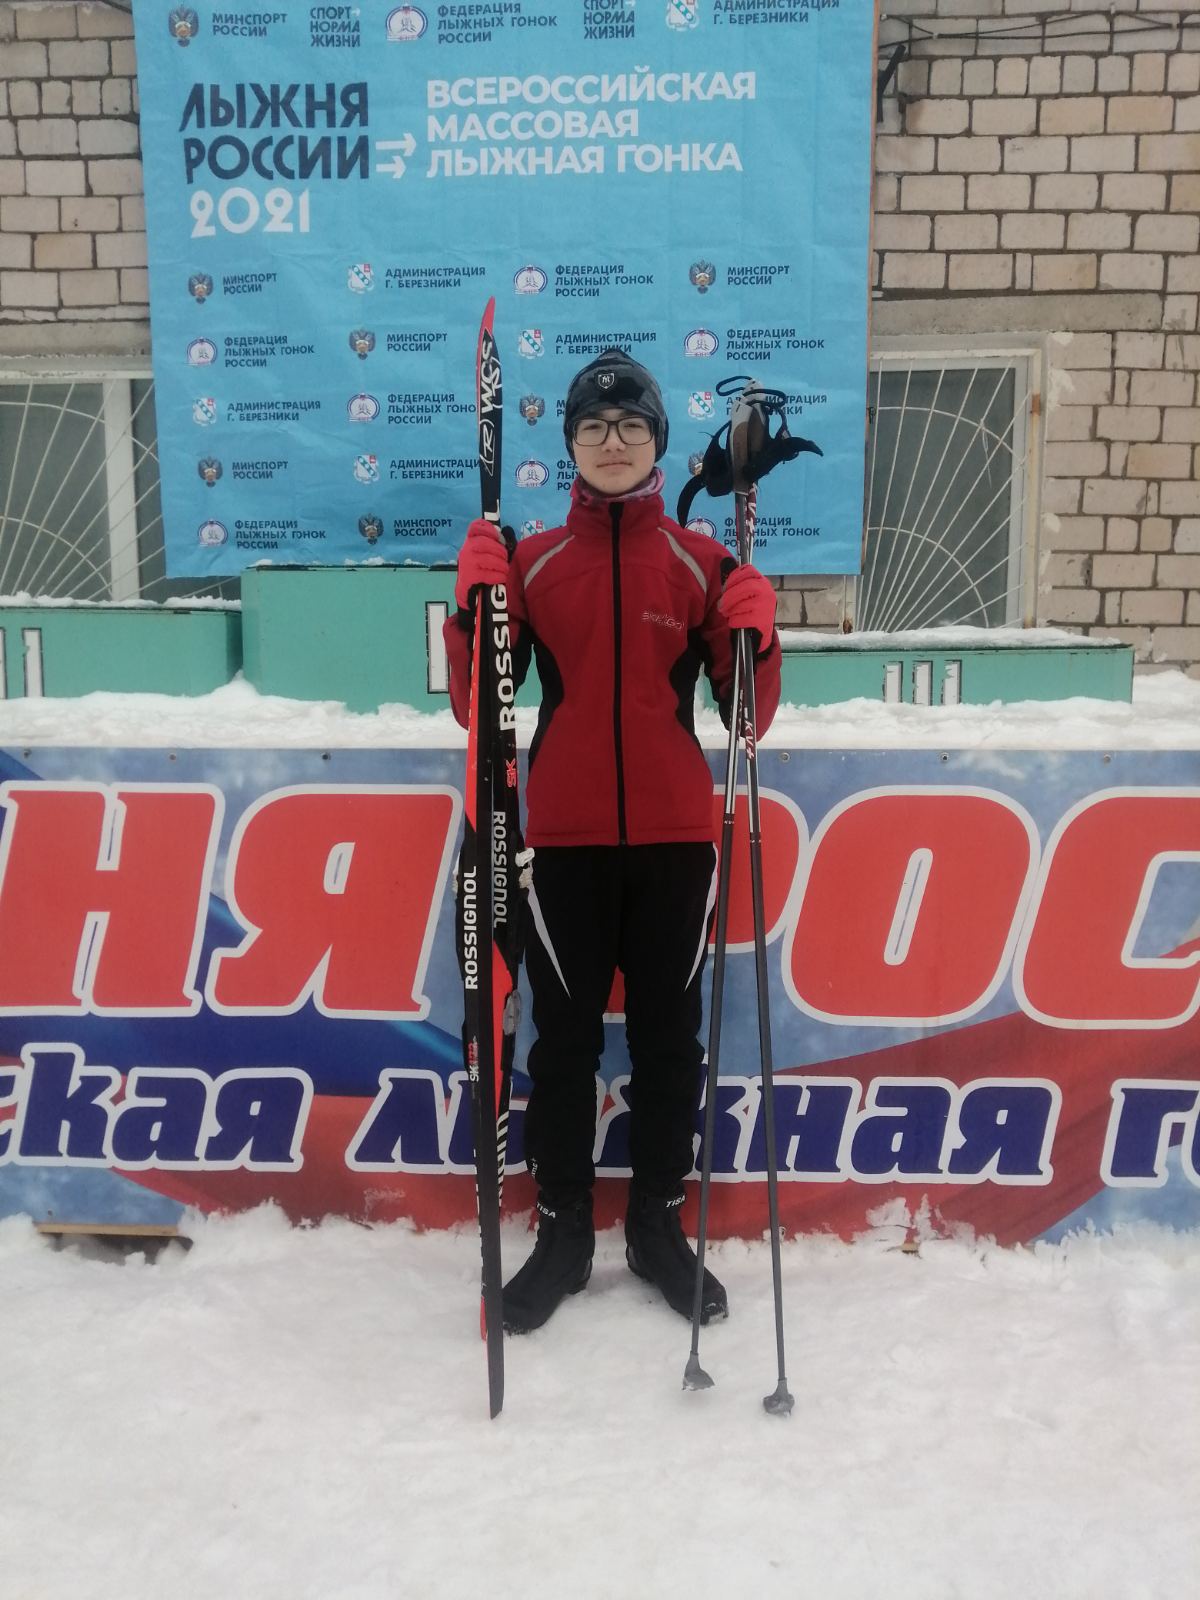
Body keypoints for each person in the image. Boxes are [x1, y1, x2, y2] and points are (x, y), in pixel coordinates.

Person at [444, 348, 781, 1334]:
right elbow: (479, 707)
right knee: (565, 1045)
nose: (613, 440)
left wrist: (757, 633)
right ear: (571, 448)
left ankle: (656, 1227)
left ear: (658, 442)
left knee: (672, 1042)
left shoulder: (700, 564)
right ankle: (563, 1236)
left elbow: (748, 715)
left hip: (676, 840)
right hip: (563, 840)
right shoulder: (537, 563)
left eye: (631, 425)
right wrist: (474, 609)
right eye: (593, 428)